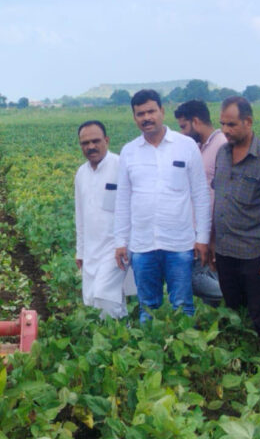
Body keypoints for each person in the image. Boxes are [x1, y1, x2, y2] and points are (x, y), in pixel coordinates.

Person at [114, 89, 211, 323]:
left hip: (179, 243)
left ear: (162, 111)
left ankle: (183, 355)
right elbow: (123, 200)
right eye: (140, 114)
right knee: (148, 306)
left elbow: (200, 194)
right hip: (142, 245)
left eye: (151, 111)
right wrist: (120, 242)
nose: (146, 117)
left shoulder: (186, 146)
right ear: (134, 117)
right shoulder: (129, 151)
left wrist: (203, 238)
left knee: (182, 305)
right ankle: (152, 354)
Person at [212, 96, 260, 355]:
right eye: (222, 125)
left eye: (231, 125)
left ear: (248, 122)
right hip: (226, 252)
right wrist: (211, 241)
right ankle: (242, 363)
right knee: (234, 313)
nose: (226, 131)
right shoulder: (222, 153)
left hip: (255, 254)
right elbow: (218, 198)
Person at [74, 120, 135, 319]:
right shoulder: (81, 174)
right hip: (92, 250)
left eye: (96, 141)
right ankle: (120, 343)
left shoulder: (121, 166)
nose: (91, 147)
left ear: (106, 140)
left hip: (116, 248)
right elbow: (80, 216)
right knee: (94, 301)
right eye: (85, 143)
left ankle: (116, 341)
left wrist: (125, 243)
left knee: (105, 297)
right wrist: (80, 251)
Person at [173, 100, 224, 306]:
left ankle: (237, 296)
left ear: (196, 121)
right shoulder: (199, 147)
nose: (183, 133)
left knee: (193, 279)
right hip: (198, 229)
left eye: (184, 126)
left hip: (212, 230)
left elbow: (221, 193)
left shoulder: (221, 145)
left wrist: (211, 234)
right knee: (208, 275)